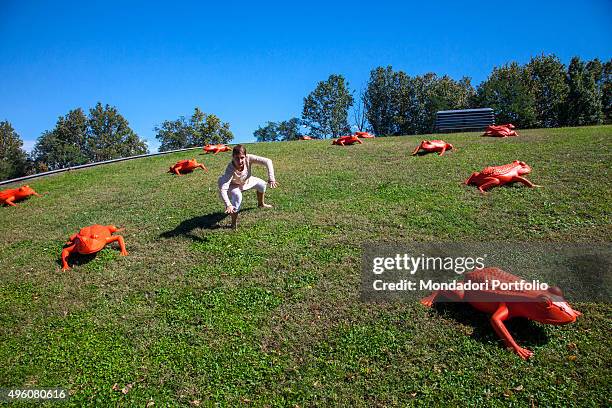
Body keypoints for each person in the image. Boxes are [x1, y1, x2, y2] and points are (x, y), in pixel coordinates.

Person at [218, 145, 278, 229]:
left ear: (245, 156)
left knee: (262, 184)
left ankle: (261, 204)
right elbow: (223, 189)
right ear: (233, 157)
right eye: (236, 158)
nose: (240, 161)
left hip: (245, 180)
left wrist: (271, 178)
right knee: (237, 196)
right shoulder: (230, 169)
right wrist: (228, 204)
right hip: (232, 185)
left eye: (242, 157)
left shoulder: (249, 158)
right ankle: (233, 224)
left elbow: (268, 161)